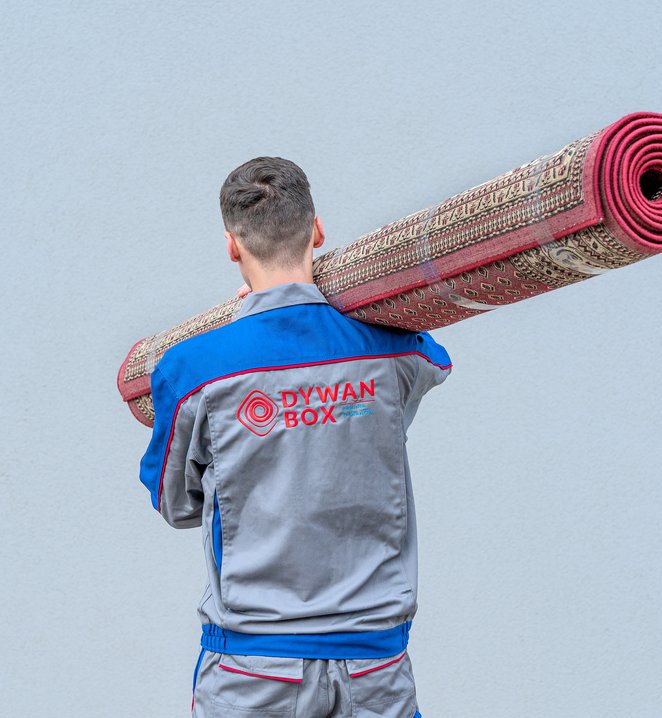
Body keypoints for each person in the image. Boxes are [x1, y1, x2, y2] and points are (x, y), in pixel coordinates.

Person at [139, 157, 451, 717]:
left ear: (232, 247)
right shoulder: (395, 351)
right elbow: (433, 363)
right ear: (317, 230)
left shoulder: (192, 371)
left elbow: (176, 504)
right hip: (374, 670)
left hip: (253, 673)